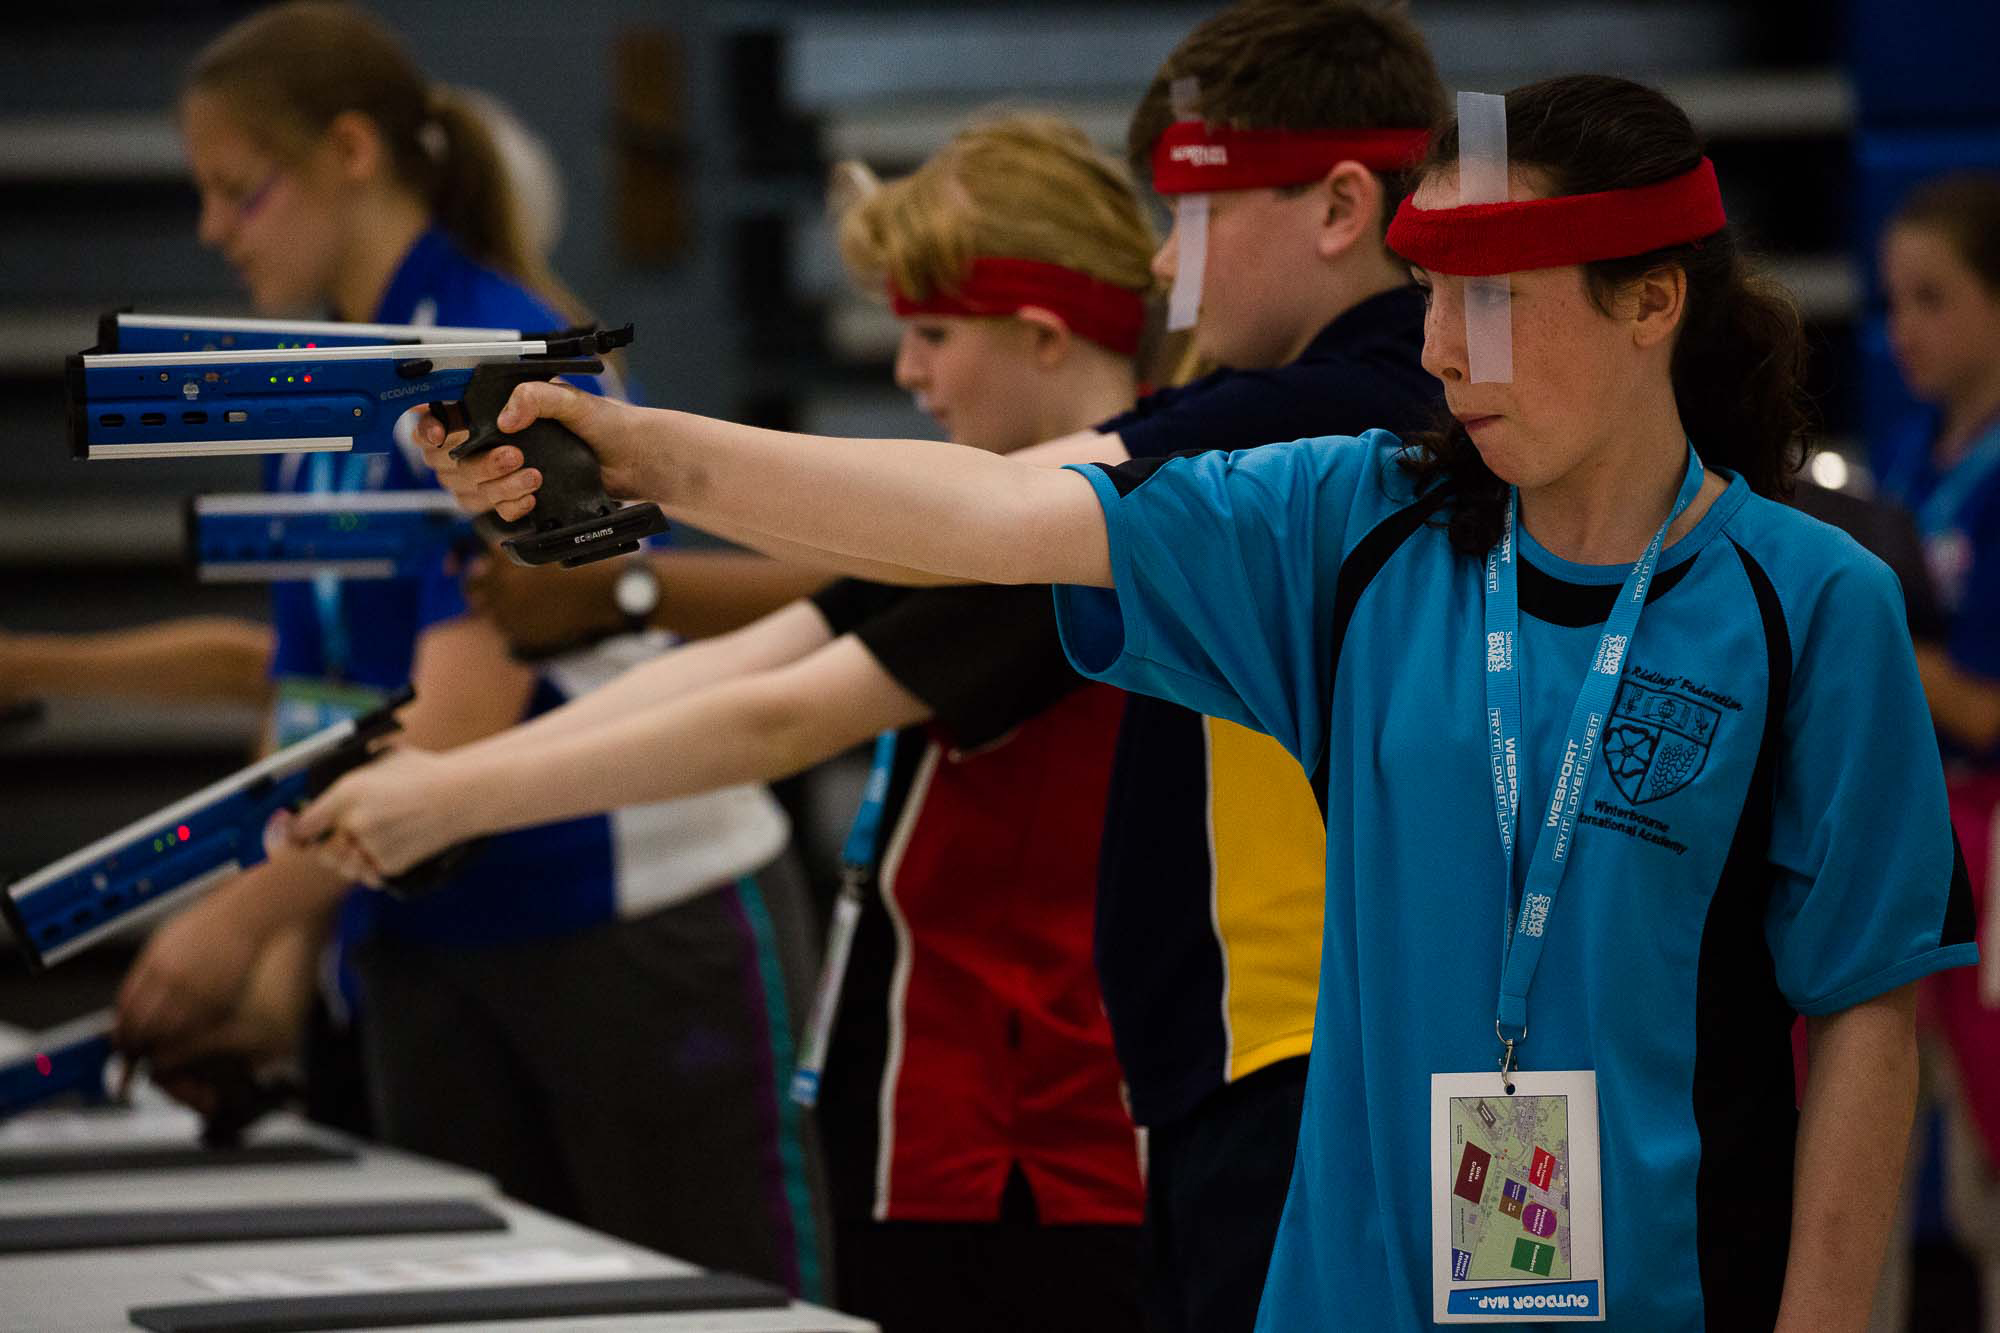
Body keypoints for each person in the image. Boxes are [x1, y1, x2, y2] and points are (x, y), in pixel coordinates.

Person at [414, 74, 1976, 1331]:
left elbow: (1864, 1012)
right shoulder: (1349, 528)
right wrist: (642, 452)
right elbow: (979, 519)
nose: (1434, 349)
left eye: (1489, 301)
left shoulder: (1808, 602)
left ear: (1652, 307)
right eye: (1424, 292)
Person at [411, 6, 1447, 1326]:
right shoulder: (1246, 429)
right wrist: (621, 511)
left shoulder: (1311, 427)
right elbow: (859, 578)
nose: (1162, 259)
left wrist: (631, 480)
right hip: (1185, 1077)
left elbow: (865, 623)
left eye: (1191, 214)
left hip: (1161, 1098)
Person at [292, 111, 1154, 1333]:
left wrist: (451, 794)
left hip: (1044, 1135)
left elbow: (776, 717)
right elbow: (758, 652)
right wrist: (438, 774)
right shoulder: (1004, 525)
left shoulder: (1070, 539)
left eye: (932, 334)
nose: (906, 372)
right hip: (958, 1107)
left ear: (1044, 335)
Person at [108, 1, 826, 1297]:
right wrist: (280, 972)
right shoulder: (324, 376)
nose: (213, 230)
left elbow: (465, 704)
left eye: (238, 191)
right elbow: (322, 694)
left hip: (625, 923)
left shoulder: (488, 356)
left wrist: (242, 916)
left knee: (715, 1309)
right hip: (419, 925)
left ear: (349, 151)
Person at [1877, 171, 2000, 1321]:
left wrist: (1870, 644)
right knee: (1866, 1120)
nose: (1900, 326)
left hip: (1991, 838)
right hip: (1926, 830)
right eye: (1890, 299)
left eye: (1931, 298)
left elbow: (1982, 704)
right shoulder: (1919, 453)